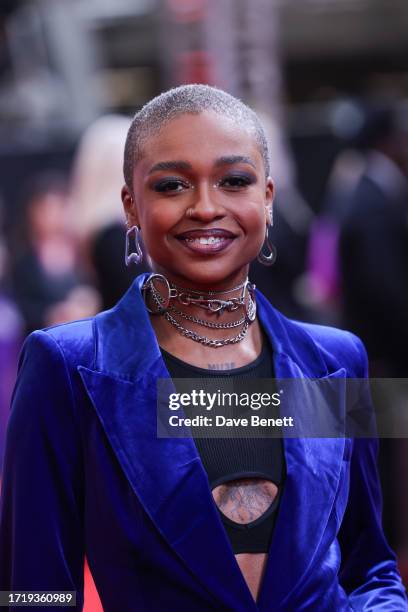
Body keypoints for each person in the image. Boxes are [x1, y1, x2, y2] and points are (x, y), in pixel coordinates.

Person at [0, 85, 406, 611]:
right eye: (171, 185)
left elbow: (368, 564)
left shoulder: (334, 360)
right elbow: (34, 591)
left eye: (234, 180)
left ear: (268, 196)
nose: (206, 207)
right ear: (132, 205)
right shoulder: (70, 367)